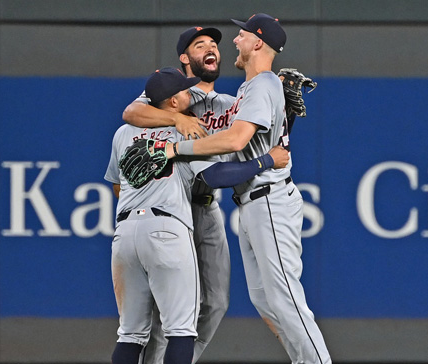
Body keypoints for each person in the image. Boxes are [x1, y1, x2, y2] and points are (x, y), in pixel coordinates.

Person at [165, 13, 332, 364]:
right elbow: (263, 145)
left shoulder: (260, 85)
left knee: (284, 297)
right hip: (254, 200)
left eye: (241, 35)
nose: (235, 41)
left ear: (257, 42)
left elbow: (238, 138)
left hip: (268, 198)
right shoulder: (252, 87)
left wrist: (179, 148)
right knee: (264, 298)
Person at [105, 67, 289, 364]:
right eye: (185, 90)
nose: (191, 92)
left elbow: (116, 185)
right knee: (180, 330)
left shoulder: (122, 133)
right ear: (173, 102)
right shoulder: (187, 129)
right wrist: (266, 160)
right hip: (166, 229)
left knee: (130, 334)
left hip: (124, 234)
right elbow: (217, 176)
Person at [122, 26, 236, 364]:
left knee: (215, 302)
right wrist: (176, 117)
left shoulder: (230, 103)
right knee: (166, 310)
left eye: (213, 43)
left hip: (208, 207)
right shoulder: (171, 93)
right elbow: (131, 113)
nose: (209, 48)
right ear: (185, 58)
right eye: (199, 45)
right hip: (176, 207)